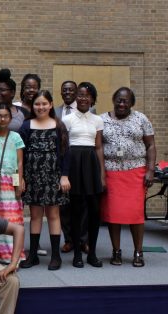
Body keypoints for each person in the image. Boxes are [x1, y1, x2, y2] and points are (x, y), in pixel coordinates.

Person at [100, 87, 156, 267]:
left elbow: (151, 145)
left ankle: (138, 252)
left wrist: (150, 170)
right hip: (111, 173)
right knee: (113, 215)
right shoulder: (102, 120)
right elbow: (98, 148)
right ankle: (116, 251)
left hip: (136, 172)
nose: (122, 104)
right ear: (113, 100)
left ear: (132, 103)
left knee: (136, 214)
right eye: (119, 100)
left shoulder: (141, 119)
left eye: (125, 101)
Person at [19, 91, 71, 270]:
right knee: (35, 216)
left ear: (50, 105)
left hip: (53, 176)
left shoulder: (58, 125)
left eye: (44, 104)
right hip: (32, 177)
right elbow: (21, 154)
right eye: (37, 104)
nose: (40, 107)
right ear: (32, 106)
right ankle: (32, 255)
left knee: (53, 215)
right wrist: (21, 177)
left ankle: (55, 256)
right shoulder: (26, 126)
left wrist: (64, 175)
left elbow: (65, 152)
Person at [63, 82, 105, 268]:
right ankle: (77, 254)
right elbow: (64, 149)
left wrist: (102, 175)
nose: (83, 98)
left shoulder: (98, 120)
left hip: (91, 164)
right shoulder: (68, 119)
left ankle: (92, 253)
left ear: (93, 99)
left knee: (94, 210)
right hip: (74, 162)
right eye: (80, 95)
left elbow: (98, 147)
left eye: (87, 95)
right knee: (76, 210)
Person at [0, 104, 27, 264]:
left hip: (11, 183)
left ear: (10, 119)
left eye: (5, 116)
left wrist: (18, 183)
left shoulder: (16, 137)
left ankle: (13, 255)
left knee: (12, 218)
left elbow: (19, 162)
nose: (2, 119)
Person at [56, 81, 89, 255]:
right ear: (61, 93)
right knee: (64, 204)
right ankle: (69, 240)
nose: (67, 92)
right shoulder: (55, 112)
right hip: (62, 163)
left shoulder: (88, 111)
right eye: (64, 90)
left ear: (77, 93)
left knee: (82, 203)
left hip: (82, 162)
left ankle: (83, 240)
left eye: (71, 90)